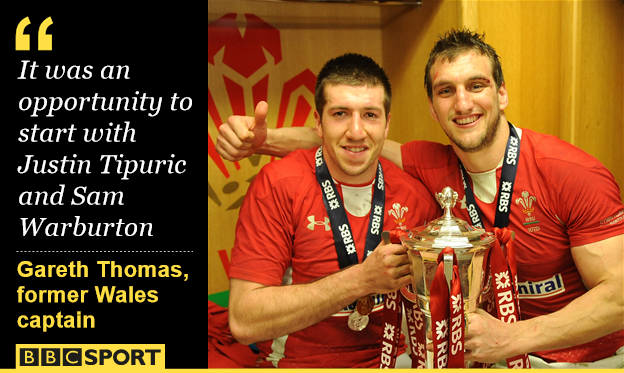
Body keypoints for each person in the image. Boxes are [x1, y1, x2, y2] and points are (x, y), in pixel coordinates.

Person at [217, 29, 624, 368]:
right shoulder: (431, 166)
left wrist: (512, 338)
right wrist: (262, 141)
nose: (462, 103)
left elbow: (620, 297)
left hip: (584, 358)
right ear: (432, 107)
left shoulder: (570, 173)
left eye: (476, 85)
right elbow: (351, 140)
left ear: (501, 94)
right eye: (447, 91)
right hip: (491, 354)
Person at [225, 53, 441, 368]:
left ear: (387, 123)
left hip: (395, 362)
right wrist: (361, 280)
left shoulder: (416, 195)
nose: (356, 131)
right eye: (340, 113)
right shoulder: (279, 185)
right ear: (318, 122)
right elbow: (244, 321)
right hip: (302, 364)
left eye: (370, 114)